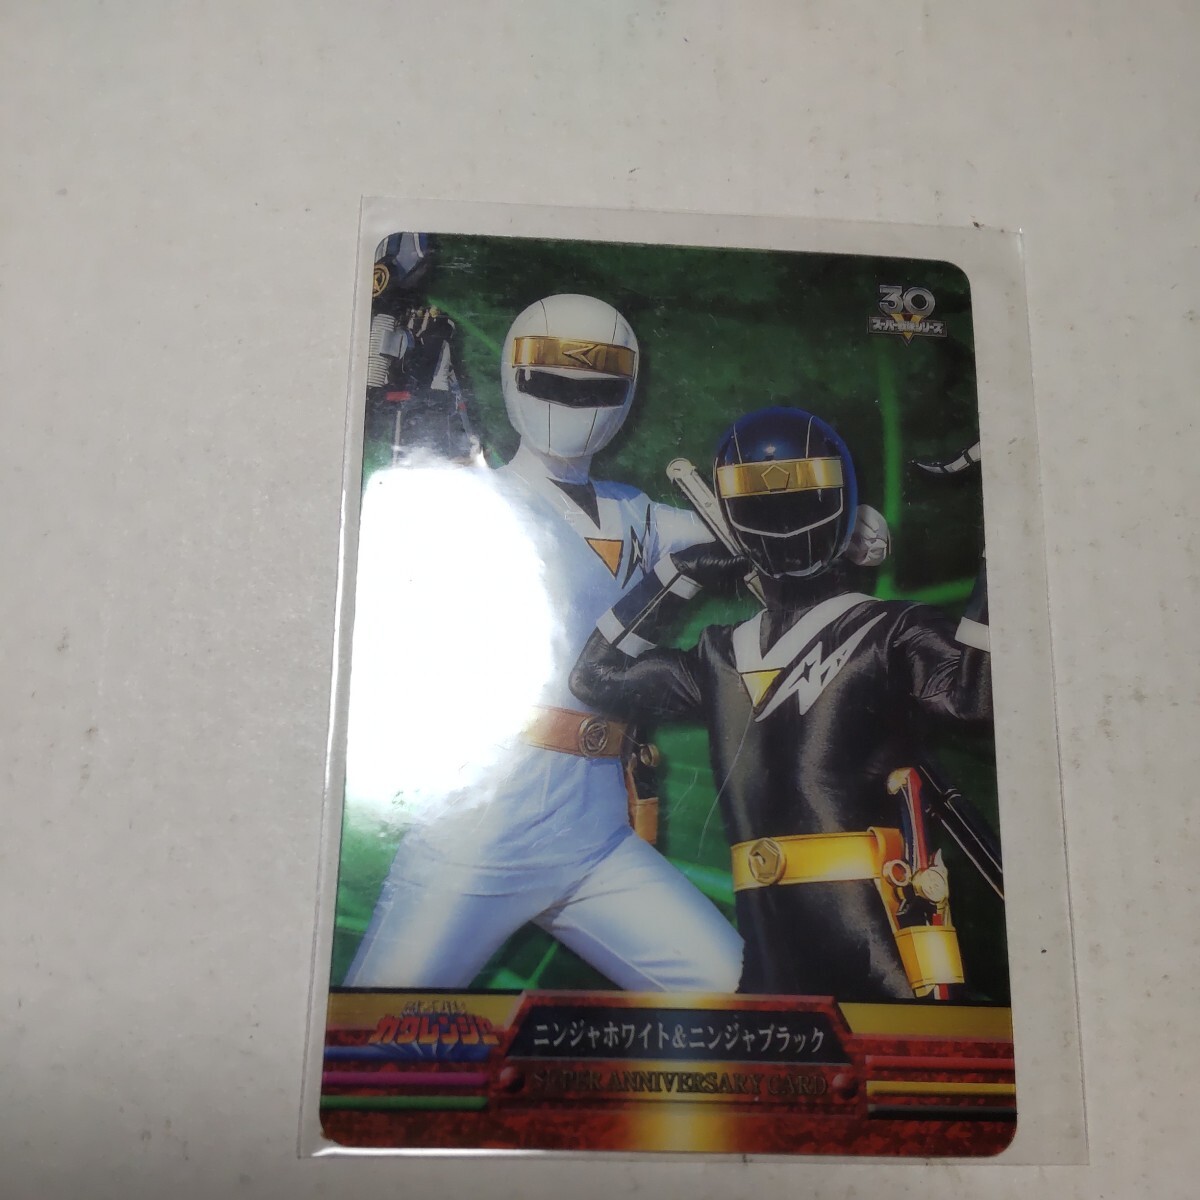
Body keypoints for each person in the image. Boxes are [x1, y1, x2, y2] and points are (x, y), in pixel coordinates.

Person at [343, 294, 744, 992]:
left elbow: (750, 537)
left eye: (593, 387)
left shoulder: (636, 512)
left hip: (595, 837)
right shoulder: (474, 501)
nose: (573, 401)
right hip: (478, 835)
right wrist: (411, 397)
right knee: (377, 1028)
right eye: (555, 381)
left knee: (736, 989)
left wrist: (835, 522)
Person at [570, 406, 993, 1001]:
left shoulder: (890, 633)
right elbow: (593, 679)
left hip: (884, 938)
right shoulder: (723, 654)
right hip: (772, 954)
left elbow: (977, 700)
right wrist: (677, 572)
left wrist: (674, 578)